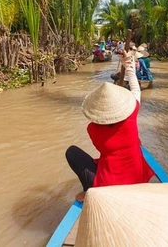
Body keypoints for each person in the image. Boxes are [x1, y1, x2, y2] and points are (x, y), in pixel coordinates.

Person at [65, 51, 155, 201]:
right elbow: (136, 90)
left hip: (108, 184)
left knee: (72, 152)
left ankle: (89, 189)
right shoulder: (132, 114)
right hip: (137, 176)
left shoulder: (92, 129)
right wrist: (129, 66)